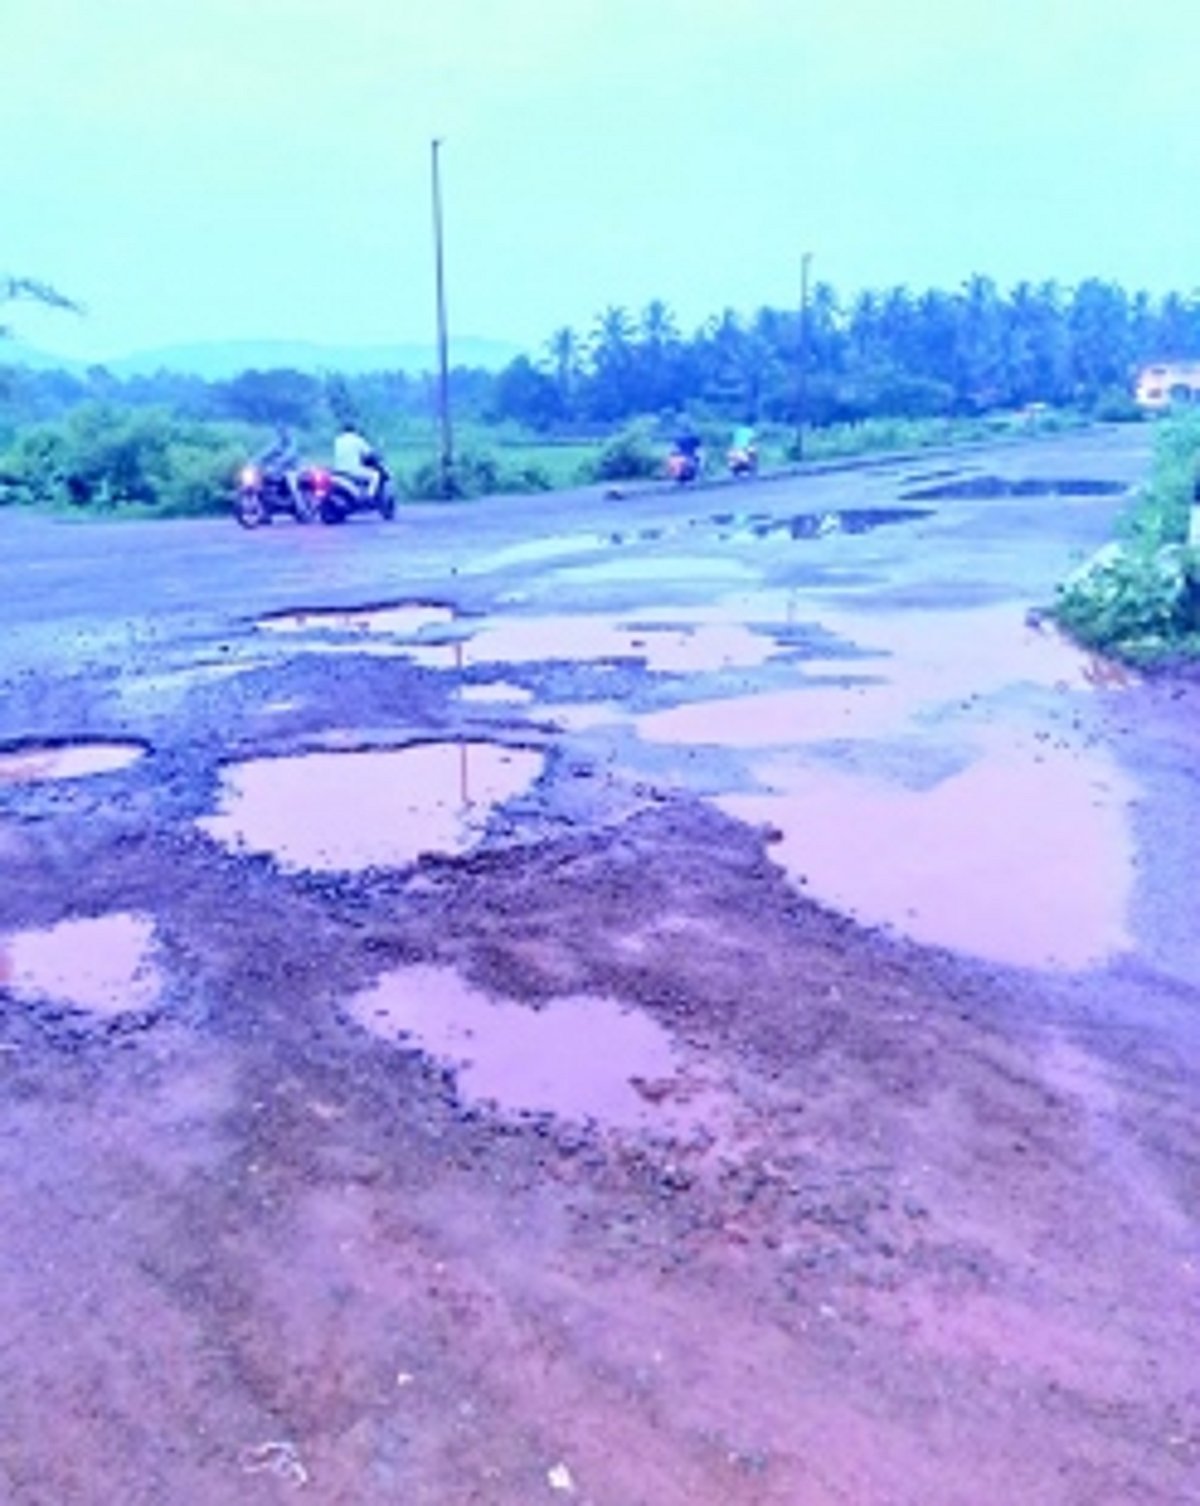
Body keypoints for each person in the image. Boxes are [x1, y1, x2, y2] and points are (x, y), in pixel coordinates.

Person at [332, 420, 380, 498]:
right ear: (354, 430)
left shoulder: (338, 440)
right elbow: (368, 453)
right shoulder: (357, 440)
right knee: (375, 475)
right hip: (353, 470)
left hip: (338, 471)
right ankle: (369, 496)